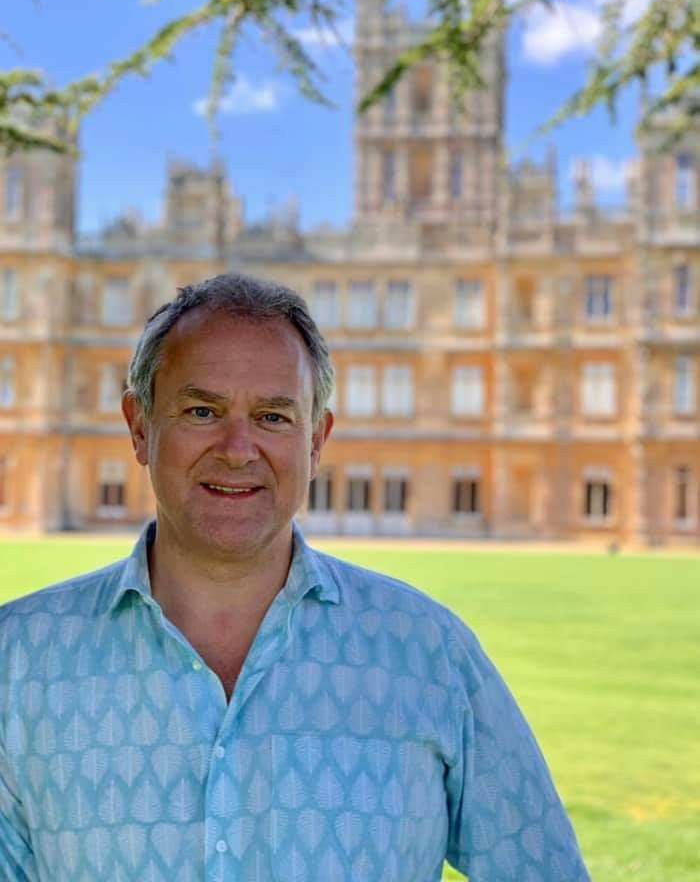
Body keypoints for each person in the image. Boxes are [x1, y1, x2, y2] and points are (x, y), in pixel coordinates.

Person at [0, 273, 590, 881]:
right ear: (140, 425)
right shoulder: (16, 659)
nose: (237, 448)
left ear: (317, 441)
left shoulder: (429, 655)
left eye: (274, 417)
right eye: (201, 410)